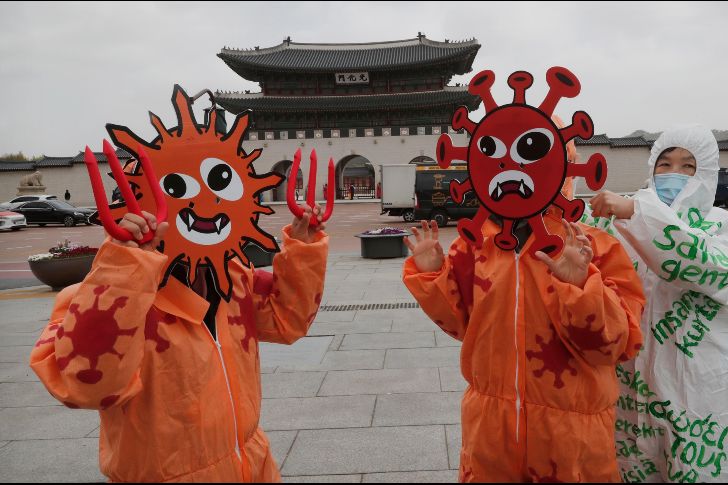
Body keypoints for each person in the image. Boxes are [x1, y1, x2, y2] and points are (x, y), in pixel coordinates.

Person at [402, 135, 645, 482]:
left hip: (571, 435)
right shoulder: (473, 245)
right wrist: (431, 274)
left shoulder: (594, 247)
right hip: (491, 432)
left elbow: (615, 344)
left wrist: (579, 286)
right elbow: (461, 324)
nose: (512, 169)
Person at [30, 200, 329, 481]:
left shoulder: (233, 277)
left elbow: (286, 319)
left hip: (251, 464)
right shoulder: (104, 296)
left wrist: (303, 245)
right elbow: (85, 388)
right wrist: (123, 270)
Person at [589, 125, 728, 483]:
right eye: (664, 164)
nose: (673, 174)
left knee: (698, 471)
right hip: (631, 382)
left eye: (687, 166)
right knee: (632, 467)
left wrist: (636, 211)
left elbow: (706, 264)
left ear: (706, 173)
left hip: (695, 383)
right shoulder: (620, 222)